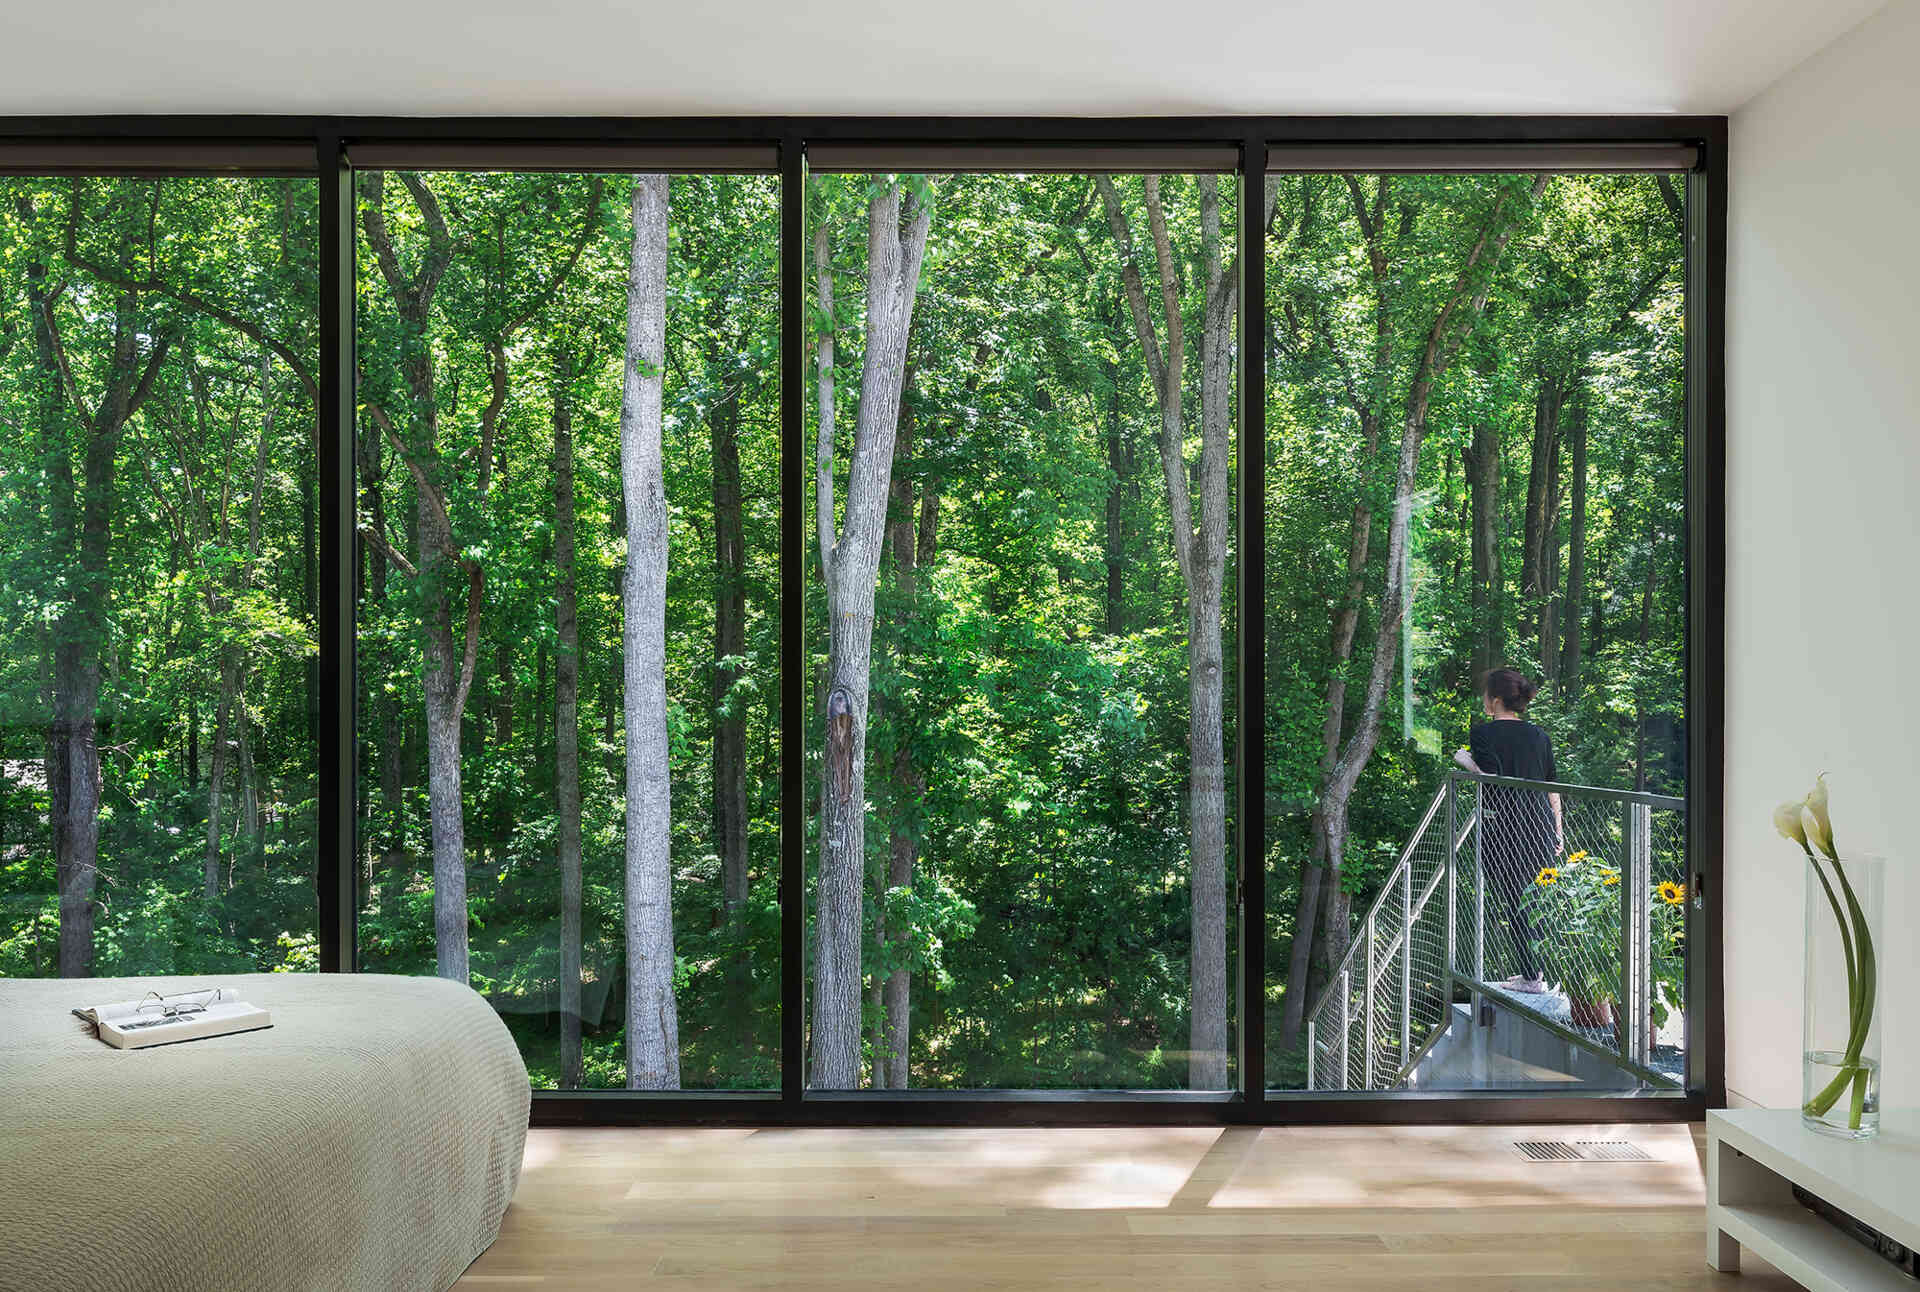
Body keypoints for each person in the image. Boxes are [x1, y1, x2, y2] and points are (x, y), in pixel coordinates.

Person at [1453, 668, 1563, 995]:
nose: (1484, 700)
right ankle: (1533, 972)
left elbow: (1491, 775)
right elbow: (1551, 787)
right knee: (1536, 901)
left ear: (1496, 700)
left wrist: (1466, 762)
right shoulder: (1540, 736)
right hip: (1540, 823)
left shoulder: (1483, 734)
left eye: (1486, 695)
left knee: (1515, 901)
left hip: (1505, 826)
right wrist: (1559, 828)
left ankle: (1531, 977)